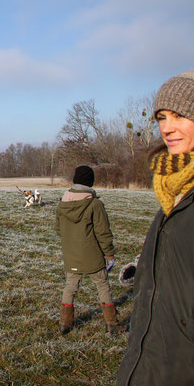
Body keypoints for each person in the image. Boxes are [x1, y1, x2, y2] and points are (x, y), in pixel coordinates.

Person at [116, 69, 194, 385]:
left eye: (180, 115)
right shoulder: (172, 189)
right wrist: (145, 266)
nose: (167, 128)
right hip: (149, 361)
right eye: (162, 117)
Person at [55, 165, 125, 334]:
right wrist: (109, 254)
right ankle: (112, 324)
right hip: (93, 256)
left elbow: (58, 229)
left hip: (71, 255)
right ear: (90, 182)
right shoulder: (95, 204)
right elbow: (103, 233)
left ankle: (65, 323)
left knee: (70, 286)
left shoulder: (61, 204)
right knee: (102, 285)